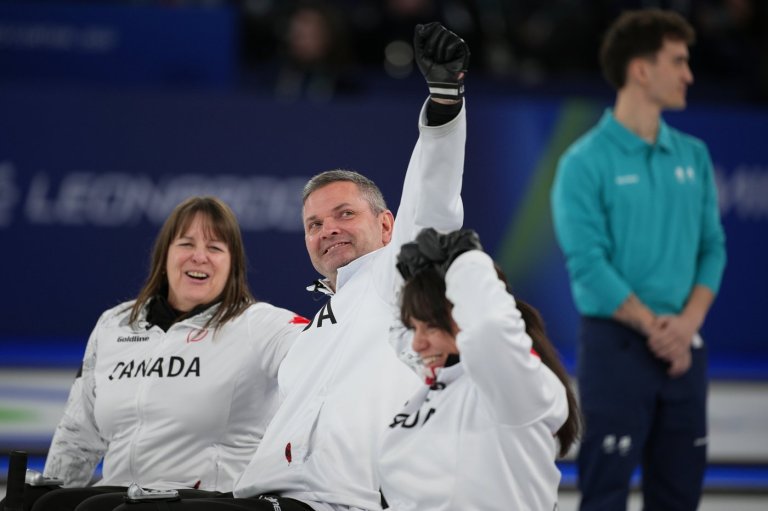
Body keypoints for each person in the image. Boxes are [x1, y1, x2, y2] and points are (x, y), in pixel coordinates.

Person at [108, 21, 469, 511]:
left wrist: (445, 101)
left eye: (345, 214)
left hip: (334, 502)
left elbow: (432, 195)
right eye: (314, 224)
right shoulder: (313, 336)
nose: (328, 230)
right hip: (266, 495)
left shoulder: (399, 277)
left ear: (387, 226)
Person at [7, 196, 307, 511]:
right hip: (120, 494)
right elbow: (79, 433)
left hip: (211, 500)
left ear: (234, 265)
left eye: (215, 248)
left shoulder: (260, 325)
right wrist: (46, 491)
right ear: (164, 254)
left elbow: (327, 357)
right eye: (186, 244)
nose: (199, 257)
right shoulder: (115, 324)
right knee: (47, 505)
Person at [550, 9, 727, 511]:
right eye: (678, 61)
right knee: (604, 496)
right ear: (641, 69)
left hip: (683, 350)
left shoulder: (693, 155)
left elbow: (713, 247)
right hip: (617, 350)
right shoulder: (582, 162)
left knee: (679, 498)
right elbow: (588, 264)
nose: (689, 74)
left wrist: (687, 324)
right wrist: (658, 328)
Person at [378, 227, 580, 511]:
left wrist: (466, 260)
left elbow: (490, 327)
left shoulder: (514, 386)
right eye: (414, 327)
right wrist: (418, 279)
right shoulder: (437, 385)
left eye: (431, 326)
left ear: (463, 315)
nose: (418, 343)